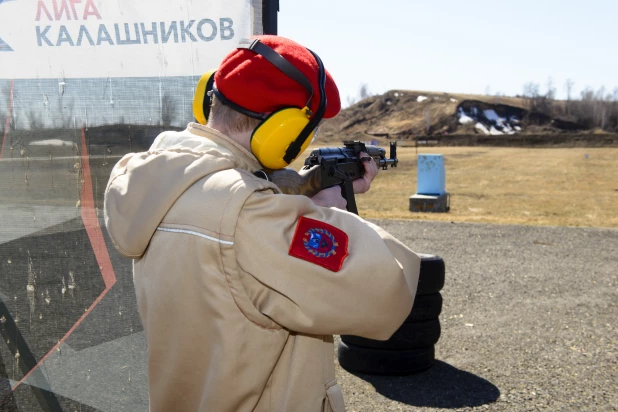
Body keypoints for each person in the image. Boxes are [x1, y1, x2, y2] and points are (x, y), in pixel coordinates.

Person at [104, 35, 420, 412]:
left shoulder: (157, 182)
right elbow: (387, 292)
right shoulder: (249, 218)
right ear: (284, 132)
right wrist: (327, 214)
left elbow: (245, 198)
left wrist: (307, 189)